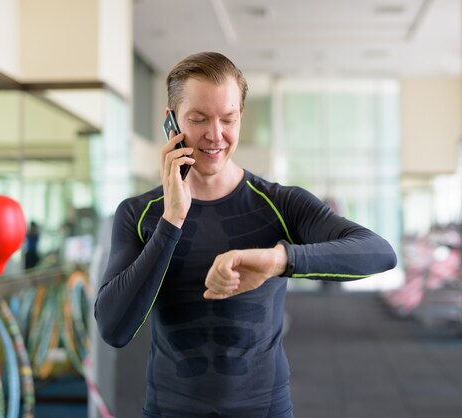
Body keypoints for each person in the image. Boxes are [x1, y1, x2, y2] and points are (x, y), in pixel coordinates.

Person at [94, 51, 397, 418]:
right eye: (198, 118)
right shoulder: (139, 213)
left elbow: (378, 252)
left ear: (240, 118)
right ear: (171, 122)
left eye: (228, 119)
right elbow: (114, 329)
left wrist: (279, 260)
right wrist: (172, 220)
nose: (215, 134)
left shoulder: (279, 202)